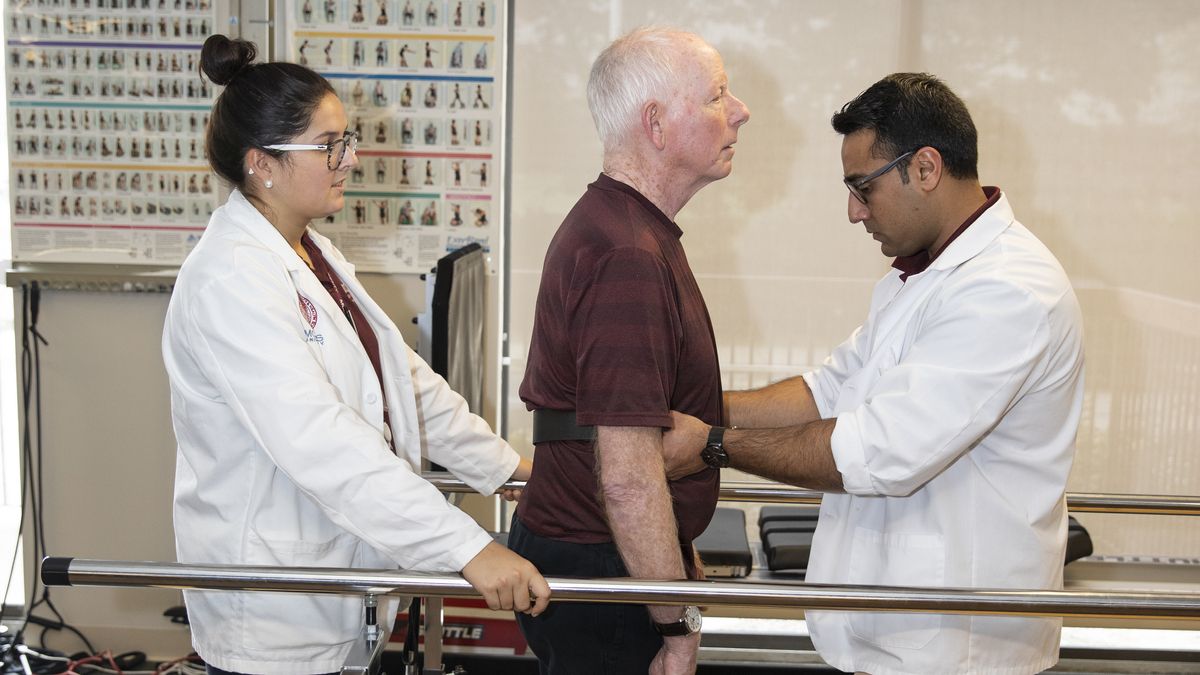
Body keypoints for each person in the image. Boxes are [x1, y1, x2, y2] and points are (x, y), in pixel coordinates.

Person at [663, 73, 1085, 675]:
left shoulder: (1007, 291)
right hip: (894, 634)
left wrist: (708, 445)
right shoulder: (918, 278)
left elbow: (880, 451)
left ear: (926, 168)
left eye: (863, 187)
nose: (854, 211)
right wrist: (696, 409)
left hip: (956, 648)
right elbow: (827, 391)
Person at [165, 35, 550, 675]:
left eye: (347, 141)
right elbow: (319, 440)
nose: (348, 160)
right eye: (328, 146)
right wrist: (468, 549)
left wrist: (509, 472)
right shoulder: (229, 280)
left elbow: (404, 384)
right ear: (262, 163)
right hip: (273, 611)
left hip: (339, 584)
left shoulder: (311, 254)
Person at [509, 27, 749, 675]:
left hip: (608, 552)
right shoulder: (626, 253)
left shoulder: (631, 232)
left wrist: (672, 549)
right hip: (600, 564)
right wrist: (677, 624)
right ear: (657, 124)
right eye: (717, 96)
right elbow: (625, 469)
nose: (740, 111)